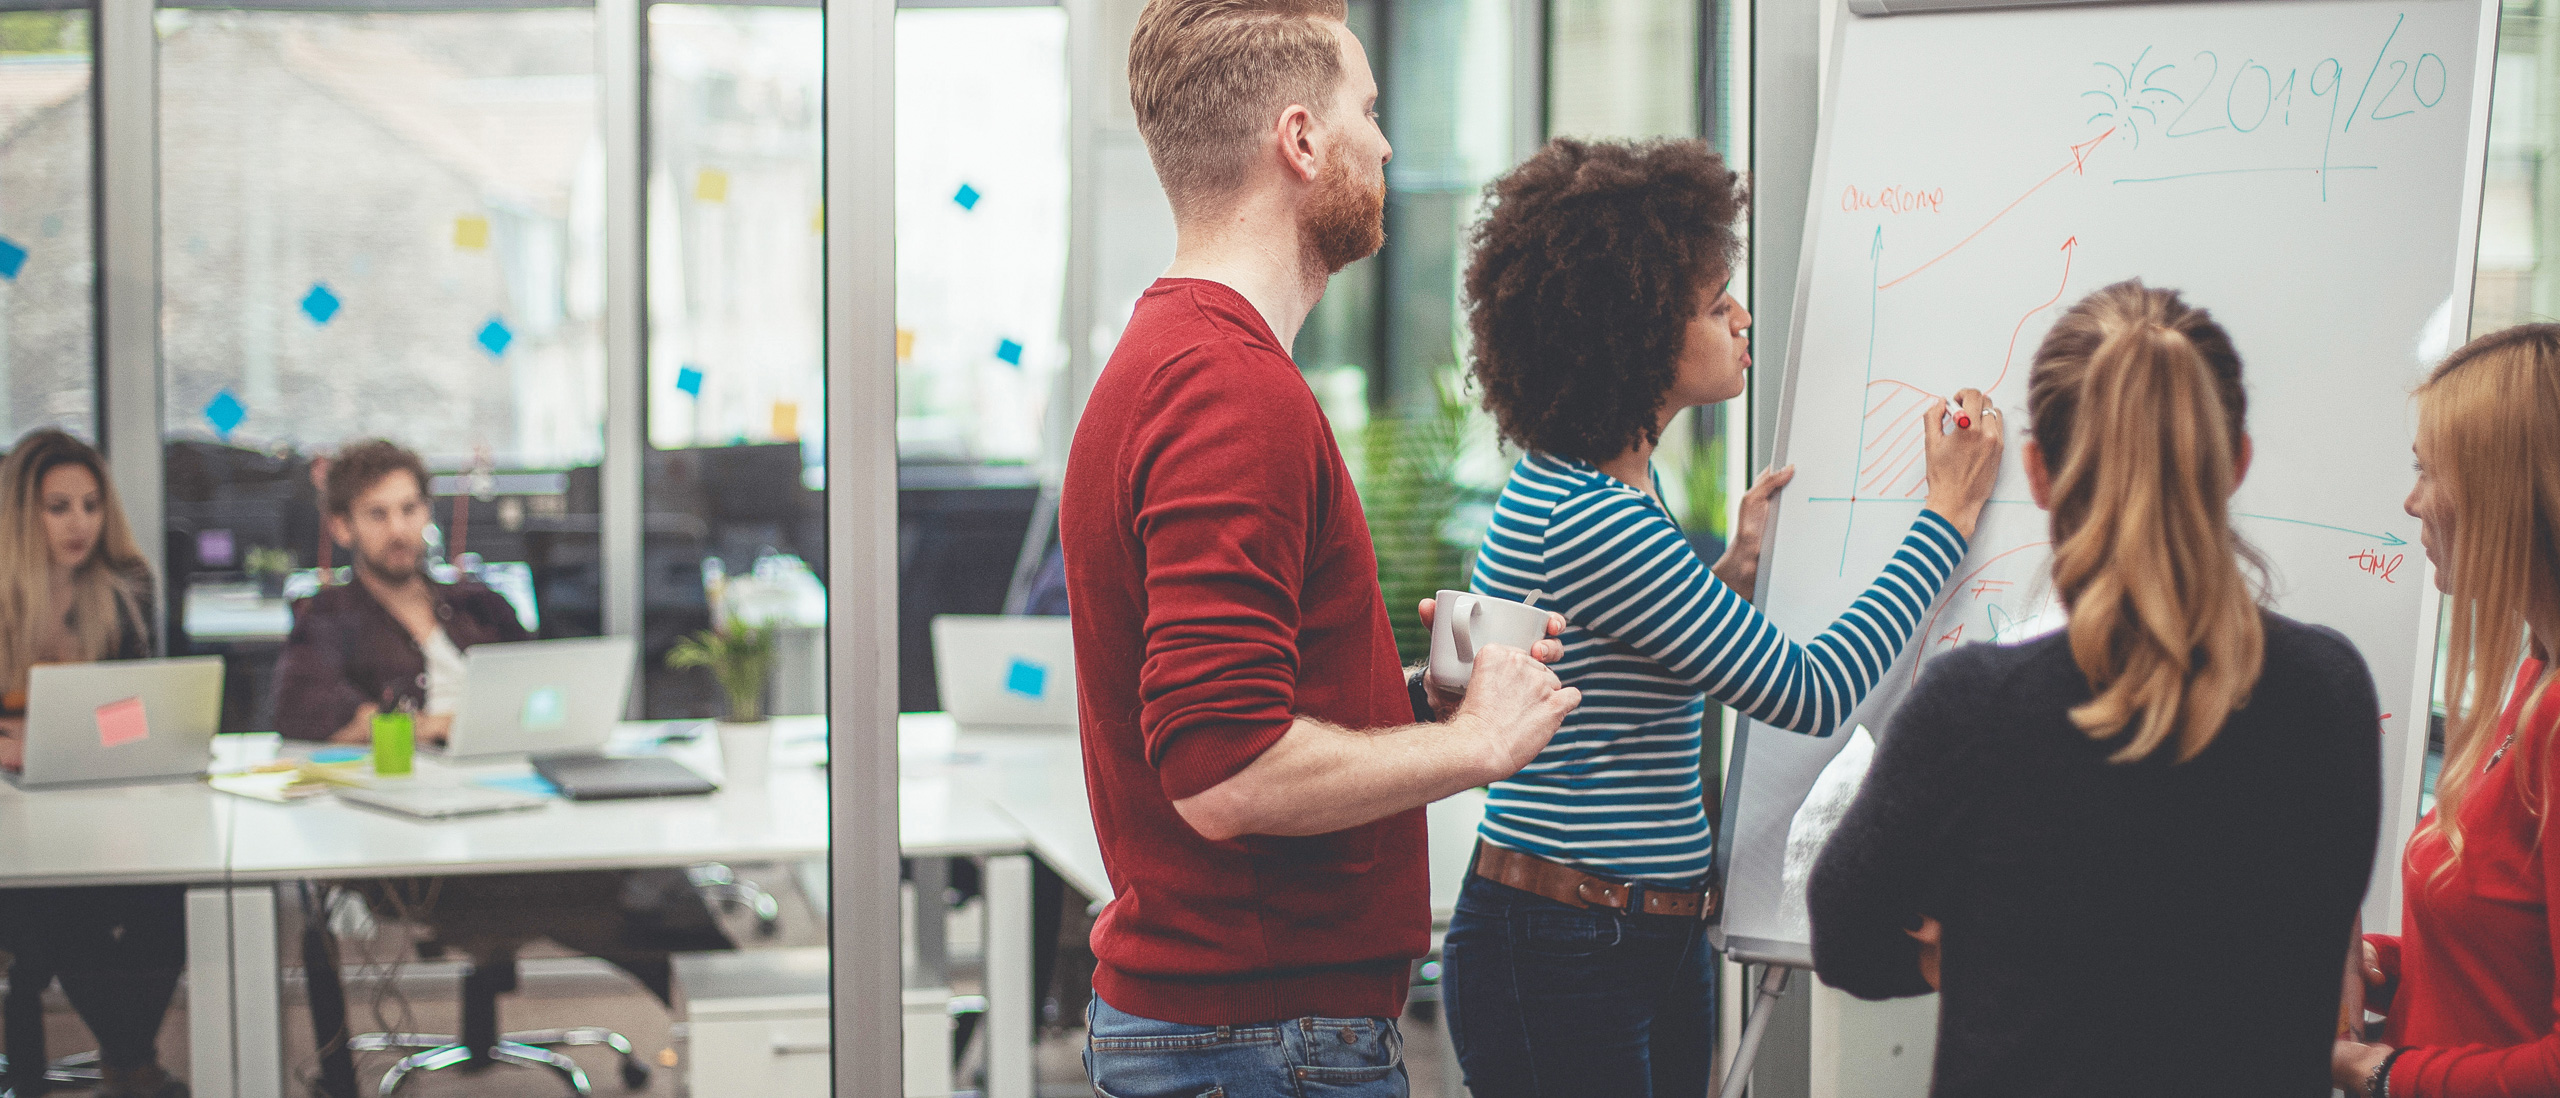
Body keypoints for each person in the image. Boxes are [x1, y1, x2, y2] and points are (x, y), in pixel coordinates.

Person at [1059, 0, 1580, 1092]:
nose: (1386, 144)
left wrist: (1401, 702)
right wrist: (1472, 745)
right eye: (1367, 110)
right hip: (1259, 1040)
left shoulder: (1180, 359)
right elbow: (1224, 773)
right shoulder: (1227, 392)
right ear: (1300, 140)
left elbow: (1228, 718)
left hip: (1240, 1032)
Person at [1435, 137, 2000, 1097]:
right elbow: (1810, 692)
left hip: (1624, 933)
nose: (1742, 318)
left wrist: (1725, 580)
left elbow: (1615, 669)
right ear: (1636, 334)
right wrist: (1945, 516)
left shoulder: (1592, 480)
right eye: (1713, 304)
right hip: (1570, 945)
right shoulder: (1595, 516)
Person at [1808, 281, 2383, 1096]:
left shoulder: (1976, 707)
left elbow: (1849, 939)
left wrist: (1977, 943)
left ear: (2038, 473)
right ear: (2237, 462)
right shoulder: (2329, 691)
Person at [2333, 323, 2560, 1098]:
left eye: (2431, 472)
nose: (2412, 500)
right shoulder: (2537, 673)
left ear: (2506, 492)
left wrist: (2375, 1072)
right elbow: (2502, 966)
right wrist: (2376, 965)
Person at [0, 429, 188, 1098]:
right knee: (61, 906)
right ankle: (133, 1064)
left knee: (172, 894)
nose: (79, 523)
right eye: (58, 507)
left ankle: (128, 1058)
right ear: (23, 512)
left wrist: (54, 731)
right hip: (12, 821)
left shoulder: (125, 586)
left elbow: (136, 710)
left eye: (90, 504)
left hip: (97, 802)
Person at [271, 439, 527, 744]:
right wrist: (429, 727)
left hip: (503, 769)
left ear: (427, 513)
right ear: (342, 526)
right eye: (378, 514)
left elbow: (543, 686)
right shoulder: (327, 617)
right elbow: (300, 715)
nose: (398, 529)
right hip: (398, 776)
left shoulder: (482, 605)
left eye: (409, 509)